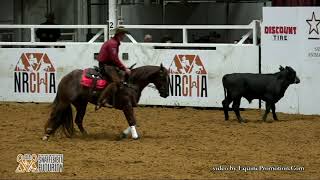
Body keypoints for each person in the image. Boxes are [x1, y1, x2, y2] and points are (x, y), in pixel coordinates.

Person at [95, 26, 131, 110]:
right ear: (119, 34)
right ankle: (101, 101)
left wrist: (122, 68)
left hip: (108, 64)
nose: (124, 36)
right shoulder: (113, 44)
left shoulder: (113, 42)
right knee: (116, 82)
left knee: (121, 77)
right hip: (106, 65)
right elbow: (114, 58)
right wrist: (124, 68)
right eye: (123, 34)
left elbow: (114, 59)